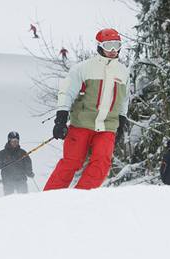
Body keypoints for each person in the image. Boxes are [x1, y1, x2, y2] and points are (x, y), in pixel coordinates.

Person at [44, 28, 130, 191]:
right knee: (72, 162)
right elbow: (67, 92)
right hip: (82, 124)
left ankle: (81, 197)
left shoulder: (123, 72)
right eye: (108, 45)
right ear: (99, 46)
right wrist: (61, 118)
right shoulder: (83, 68)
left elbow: (124, 99)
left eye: (116, 45)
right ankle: (49, 198)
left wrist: (122, 119)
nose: (113, 50)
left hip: (107, 127)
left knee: (102, 163)